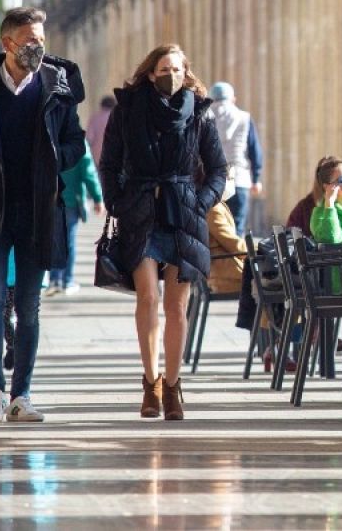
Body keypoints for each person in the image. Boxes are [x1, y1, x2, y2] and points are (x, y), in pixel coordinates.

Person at [0, 6, 86, 424]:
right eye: (30, 40)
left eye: (41, 39)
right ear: (8, 43)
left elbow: (75, 143)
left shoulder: (58, 88)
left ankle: (23, 394)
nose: (38, 47)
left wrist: (52, 158)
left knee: (29, 304)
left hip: (38, 209)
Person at [98, 45, 227, 421]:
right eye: (163, 67)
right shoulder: (128, 110)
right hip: (140, 212)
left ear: (185, 72)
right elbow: (108, 164)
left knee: (176, 305)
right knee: (148, 297)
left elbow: (218, 168)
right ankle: (151, 383)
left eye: (177, 68)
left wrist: (199, 202)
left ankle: (173, 386)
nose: (170, 73)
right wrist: (118, 201)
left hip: (183, 213)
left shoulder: (200, 113)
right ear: (150, 73)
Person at [206, 82, 263, 237]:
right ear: (233, 99)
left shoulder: (204, 116)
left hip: (210, 181)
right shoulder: (244, 118)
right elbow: (254, 150)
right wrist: (256, 178)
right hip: (239, 179)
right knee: (237, 228)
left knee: (212, 230)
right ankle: (237, 260)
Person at [48, 140, 102, 295]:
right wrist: (98, 197)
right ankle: (67, 280)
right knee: (69, 242)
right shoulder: (78, 142)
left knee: (53, 240)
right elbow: (88, 172)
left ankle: (54, 279)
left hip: (50, 199)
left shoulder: (48, 137)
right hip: (71, 199)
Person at [86, 94, 115, 167]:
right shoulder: (118, 118)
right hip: (115, 157)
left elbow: (89, 138)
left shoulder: (95, 118)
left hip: (97, 157)